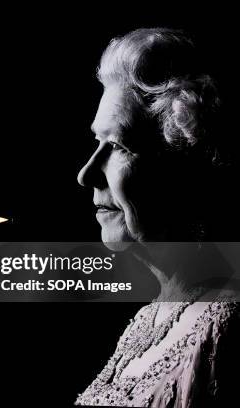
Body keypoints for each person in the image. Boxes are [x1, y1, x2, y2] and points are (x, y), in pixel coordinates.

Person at [75, 28, 240, 406]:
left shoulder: (225, 325)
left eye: (117, 146)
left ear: (182, 162)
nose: (85, 174)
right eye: (95, 143)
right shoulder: (149, 319)